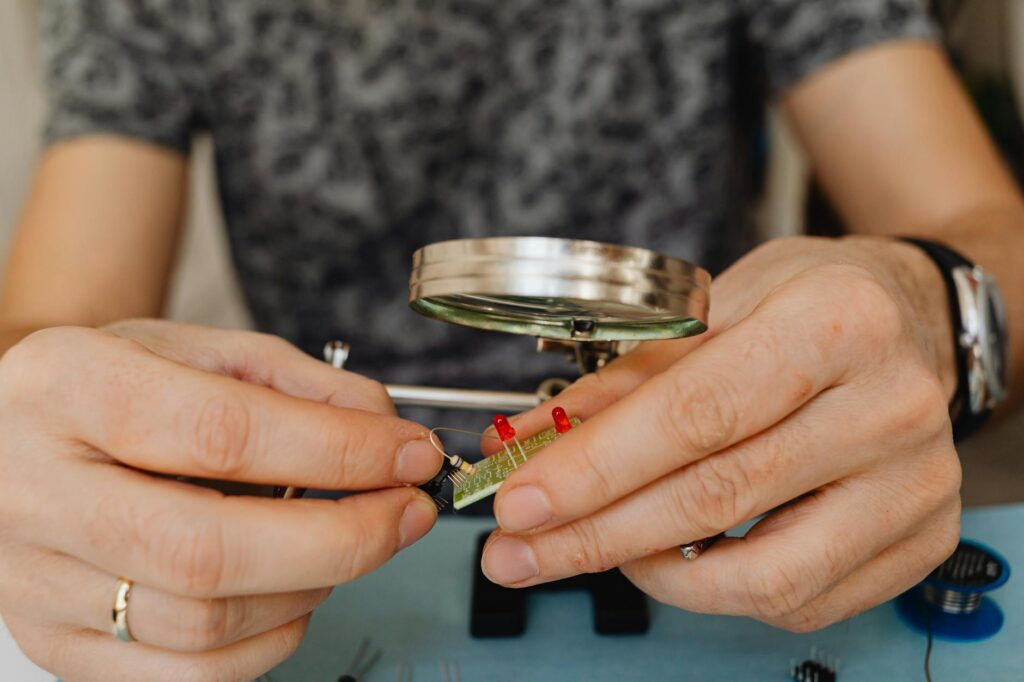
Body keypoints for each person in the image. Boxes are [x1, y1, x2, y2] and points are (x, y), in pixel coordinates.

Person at [1, 0, 1022, 679]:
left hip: (712, 519)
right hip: (322, 553)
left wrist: (925, 309)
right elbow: (50, 324)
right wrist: (41, 443)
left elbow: (987, 229)